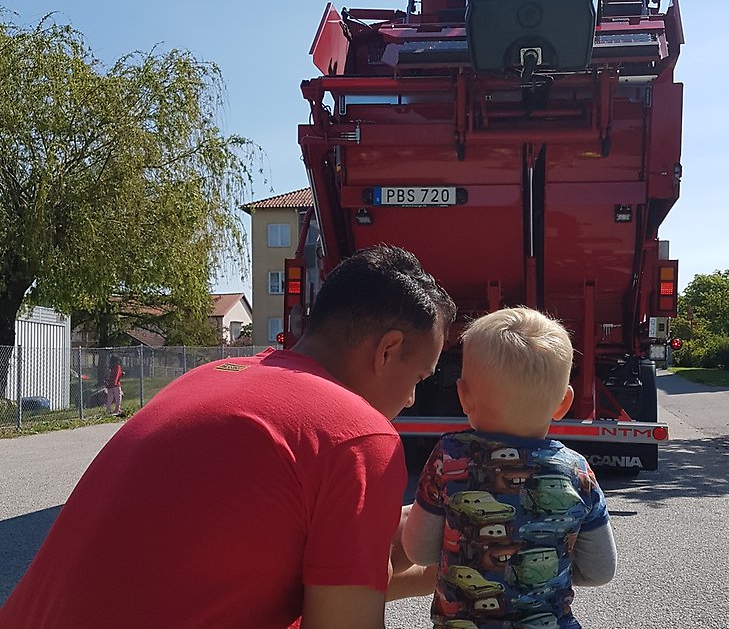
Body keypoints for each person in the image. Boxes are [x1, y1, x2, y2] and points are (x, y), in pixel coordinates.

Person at [0, 245, 456, 629]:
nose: (413, 399)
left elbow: (297, 566)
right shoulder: (356, 436)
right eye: (419, 377)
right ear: (388, 350)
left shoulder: (213, 376)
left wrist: (462, 550)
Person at [402, 307, 617, 629]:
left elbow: (419, 551)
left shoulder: (449, 458)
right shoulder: (577, 472)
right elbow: (601, 570)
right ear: (564, 403)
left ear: (463, 397)